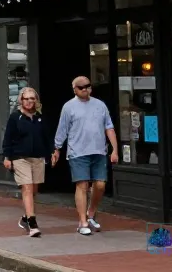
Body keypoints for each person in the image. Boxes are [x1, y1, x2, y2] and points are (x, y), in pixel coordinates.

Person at [52, 76, 118, 236]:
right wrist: (57, 148)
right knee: (82, 185)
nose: (85, 89)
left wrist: (115, 149)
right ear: (74, 89)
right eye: (81, 87)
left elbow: (109, 126)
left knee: (100, 185)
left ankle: (91, 213)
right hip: (78, 152)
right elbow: (62, 129)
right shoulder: (69, 107)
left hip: (99, 151)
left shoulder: (100, 105)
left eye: (88, 86)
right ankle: (82, 222)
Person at [2, 87, 50, 238]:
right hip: (20, 157)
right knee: (27, 188)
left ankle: (25, 218)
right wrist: (7, 157)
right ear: (21, 101)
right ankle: (32, 223)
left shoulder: (40, 117)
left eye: (32, 98)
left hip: (37, 157)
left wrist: (52, 152)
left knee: (34, 190)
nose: (29, 101)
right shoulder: (15, 117)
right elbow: (8, 138)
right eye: (26, 99)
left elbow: (46, 137)